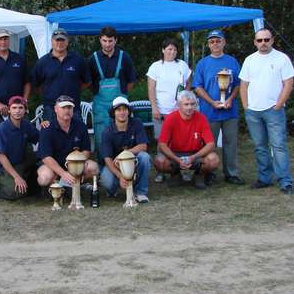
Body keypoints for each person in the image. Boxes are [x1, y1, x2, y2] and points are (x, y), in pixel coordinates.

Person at [239, 28, 294, 195]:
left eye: (266, 39)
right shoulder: (250, 60)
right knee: (260, 146)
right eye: (259, 40)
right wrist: (246, 106)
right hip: (253, 111)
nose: (263, 43)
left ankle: (285, 181)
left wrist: (278, 105)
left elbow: (289, 83)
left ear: (272, 40)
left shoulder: (282, 58)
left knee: (278, 146)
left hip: (273, 111)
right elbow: (243, 84)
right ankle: (264, 178)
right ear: (255, 42)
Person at [193, 30, 244, 185]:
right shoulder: (202, 63)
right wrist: (211, 102)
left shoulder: (232, 62)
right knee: (209, 144)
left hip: (230, 110)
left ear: (224, 42)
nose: (215, 44)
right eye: (212, 41)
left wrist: (230, 99)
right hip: (210, 111)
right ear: (208, 44)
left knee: (231, 143)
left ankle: (231, 173)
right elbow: (197, 87)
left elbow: (238, 84)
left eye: (218, 40)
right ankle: (209, 172)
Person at [147, 38, 191, 182]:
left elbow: (188, 82)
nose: (172, 52)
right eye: (169, 49)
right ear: (163, 50)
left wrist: (185, 102)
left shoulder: (182, 65)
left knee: (179, 141)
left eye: (174, 49)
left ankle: (182, 169)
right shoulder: (156, 66)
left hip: (179, 112)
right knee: (161, 141)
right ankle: (161, 171)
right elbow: (151, 89)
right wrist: (154, 108)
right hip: (161, 111)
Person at [154, 90, 220, 189]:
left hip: (196, 154)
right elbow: (162, 144)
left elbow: (210, 144)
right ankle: (175, 174)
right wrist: (176, 159)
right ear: (179, 105)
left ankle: (199, 175)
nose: (190, 107)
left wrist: (193, 157)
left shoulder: (201, 118)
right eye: (186, 104)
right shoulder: (170, 118)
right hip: (175, 154)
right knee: (159, 161)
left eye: (192, 104)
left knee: (213, 160)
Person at [88, 26, 136, 154]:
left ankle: (124, 165)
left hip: (121, 106)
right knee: (101, 138)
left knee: (122, 137)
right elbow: (88, 82)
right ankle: (103, 168)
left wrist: (122, 95)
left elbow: (131, 81)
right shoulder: (93, 59)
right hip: (100, 107)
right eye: (104, 41)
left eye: (110, 41)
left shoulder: (124, 57)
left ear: (115, 40)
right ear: (100, 40)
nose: (107, 44)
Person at [37, 95, 99, 188]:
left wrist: (75, 168)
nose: (67, 110)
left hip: (74, 164)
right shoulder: (47, 128)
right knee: (44, 178)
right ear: (56, 109)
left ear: (73, 109)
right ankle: (56, 189)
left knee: (94, 168)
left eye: (69, 107)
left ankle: (74, 184)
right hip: (53, 166)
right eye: (63, 107)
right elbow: (46, 157)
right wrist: (63, 173)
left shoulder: (81, 126)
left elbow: (86, 151)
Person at [99, 97, 151, 203]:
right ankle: (115, 188)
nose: (122, 112)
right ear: (113, 113)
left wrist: (124, 154)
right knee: (107, 181)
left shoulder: (137, 123)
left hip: (132, 162)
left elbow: (143, 146)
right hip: (115, 166)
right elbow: (107, 159)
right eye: (118, 110)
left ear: (129, 111)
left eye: (124, 109)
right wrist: (120, 176)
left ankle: (141, 192)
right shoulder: (107, 131)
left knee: (145, 157)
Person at [31, 28, 90, 121]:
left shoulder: (78, 60)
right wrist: (48, 94)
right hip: (50, 109)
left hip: (73, 108)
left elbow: (87, 82)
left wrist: (75, 90)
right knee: (51, 135)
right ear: (51, 41)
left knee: (75, 135)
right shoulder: (42, 62)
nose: (60, 43)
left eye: (62, 40)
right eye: (57, 40)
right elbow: (35, 85)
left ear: (67, 42)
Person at [0, 96, 39, 200]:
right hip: (1, 168)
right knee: (16, 192)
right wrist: (16, 177)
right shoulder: (1, 129)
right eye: (14, 108)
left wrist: (46, 127)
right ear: (9, 110)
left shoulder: (26, 125)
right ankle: (0, 190)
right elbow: (1, 157)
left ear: (25, 110)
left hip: (18, 163)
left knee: (33, 152)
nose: (17, 111)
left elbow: (40, 139)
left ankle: (27, 178)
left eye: (20, 108)